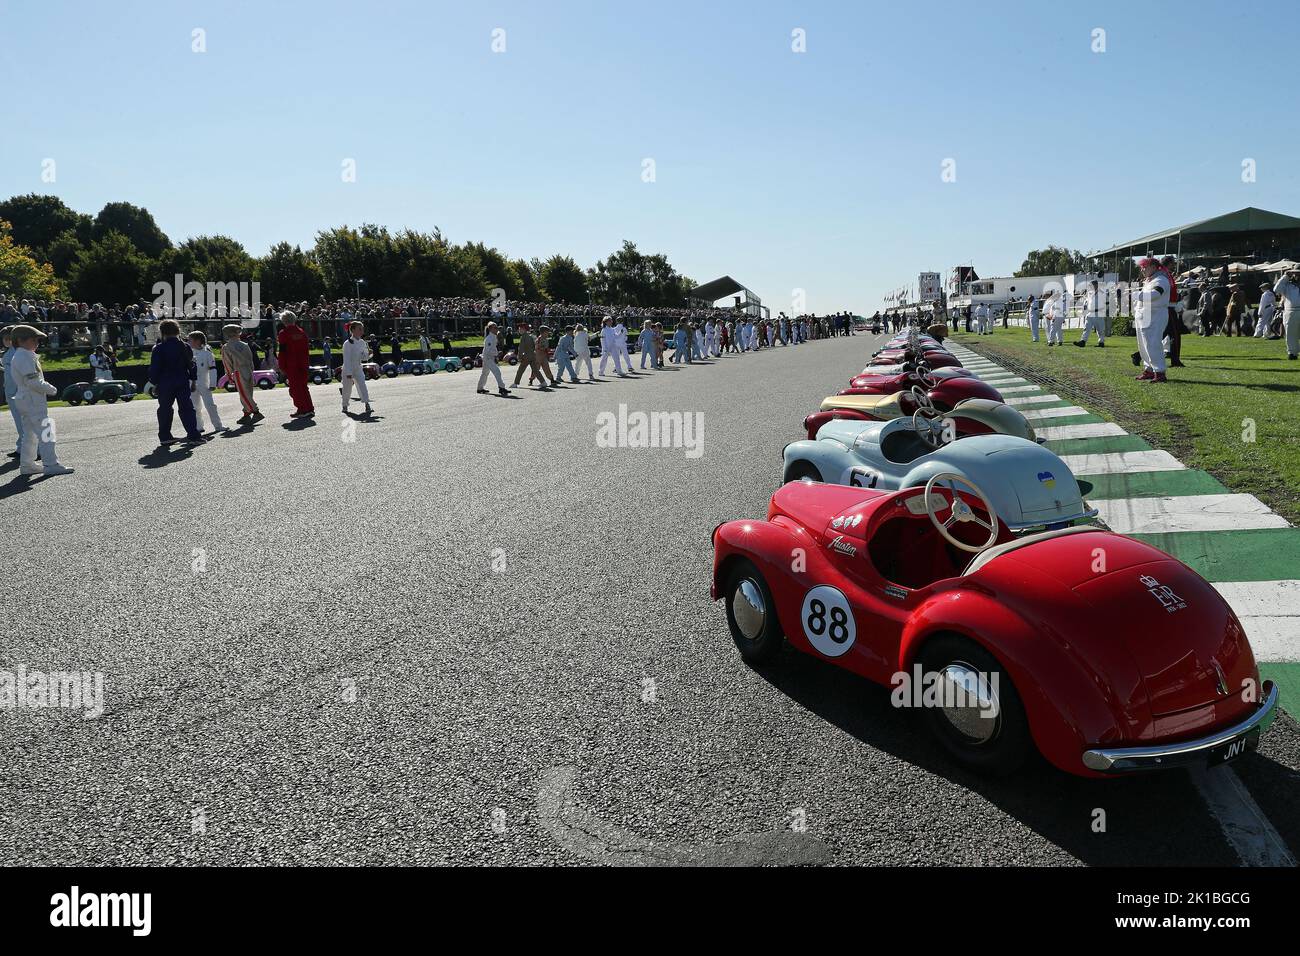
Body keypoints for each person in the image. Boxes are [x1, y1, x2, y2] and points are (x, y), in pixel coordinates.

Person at [8, 326, 71, 476]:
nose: (37, 342)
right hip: (32, 400)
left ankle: (27, 465)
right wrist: (51, 389)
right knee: (46, 431)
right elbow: (33, 382)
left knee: (30, 435)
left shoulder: (23, 355)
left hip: (26, 399)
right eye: (33, 339)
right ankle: (51, 464)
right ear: (20, 341)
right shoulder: (24, 356)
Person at [149, 319, 204, 444]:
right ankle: (193, 435)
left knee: (165, 409)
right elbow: (192, 365)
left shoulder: (158, 348)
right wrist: (194, 380)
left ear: (162, 332)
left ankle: (165, 436)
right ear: (178, 331)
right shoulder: (185, 346)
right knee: (187, 408)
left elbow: (154, 368)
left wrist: (154, 382)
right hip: (182, 380)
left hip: (164, 382)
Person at [1134, 257, 1170, 382]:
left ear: (1154, 267)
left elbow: (1155, 295)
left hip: (1155, 315)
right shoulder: (1149, 281)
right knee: (1143, 345)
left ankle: (1159, 372)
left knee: (1153, 344)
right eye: (1142, 267)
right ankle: (1149, 369)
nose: (1142, 269)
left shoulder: (1161, 280)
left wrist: (1136, 295)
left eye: (1145, 267)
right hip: (1145, 315)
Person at [221, 325, 262, 424]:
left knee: (243, 394)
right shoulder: (245, 344)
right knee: (248, 392)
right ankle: (246, 413)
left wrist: (229, 374)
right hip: (248, 369)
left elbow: (227, 362)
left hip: (238, 371)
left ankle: (255, 411)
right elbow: (251, 359)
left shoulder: (226, 347)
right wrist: (252, 371)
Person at [277, 310, 314, 417]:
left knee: (295, 388)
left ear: (284, 321)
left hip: (291, 363)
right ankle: (309, 407)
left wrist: (281, 365)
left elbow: (283, 351)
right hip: (303, 362)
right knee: (303, 386)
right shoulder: (302, 332)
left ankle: (302, 409)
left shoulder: (283, 334)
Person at [188, 331, 224, 432]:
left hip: (205, 383)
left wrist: (213, 383)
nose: (188, 342)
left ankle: (218, 426)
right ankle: (198, 427)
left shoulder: (208, 353)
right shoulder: (188, 353)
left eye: (190, 340)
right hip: (192, 384)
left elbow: (213, 369)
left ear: (198, 341)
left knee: (210, 405)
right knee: (195, 406)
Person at [2, 327, 27, 459]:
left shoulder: (13, 353)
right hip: (15, 391)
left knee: (21, 421)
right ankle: (21, 446)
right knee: (21, 421)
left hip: (16, 392)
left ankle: (32, 449)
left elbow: (14, 376)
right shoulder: (14, 352)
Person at [341, 320, 374, 414]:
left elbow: (364, 357)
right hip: (348, 368)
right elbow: (346, 359)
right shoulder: (347, 343)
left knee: (362, 385)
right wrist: (348, 373)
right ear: (353, 330)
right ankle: (345, 405)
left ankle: (367, 404)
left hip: (358, 367)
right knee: (347, 388)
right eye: (360, 329)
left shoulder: (362, 342)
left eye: (362, 329)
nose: (362, 331)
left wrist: (369, 354)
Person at [1160, 256, 1184, 366]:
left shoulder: (1166, 273)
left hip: (1169, 306)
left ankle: (1138, 355)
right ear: (1169, 263)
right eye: (1173, 263)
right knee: (1175, 334)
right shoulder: (1163, 274)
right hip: (1168, 307)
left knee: (1161, 335)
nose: (1174, 265)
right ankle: (1175, 360)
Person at [476, 321, 511, 395]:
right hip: (488, 357)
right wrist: (497, 354)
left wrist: (496, 353)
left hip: (489, 357)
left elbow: (493, 348)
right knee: (497, 372)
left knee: (485, 373)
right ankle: (501, 388)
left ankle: (480, 388)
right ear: (491, 329)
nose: (497, 329)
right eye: (495, 327)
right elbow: (488, 351)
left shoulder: (494, 337)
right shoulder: (489, 338)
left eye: (497, 327)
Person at [512, 321, 546, 389]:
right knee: (535, 370)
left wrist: (519, 356)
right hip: (533, 355)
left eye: (520, 329)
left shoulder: (523, 337)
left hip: (526, 356)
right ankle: (543, 382)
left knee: (521, 370)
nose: (519, 330)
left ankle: (515, 383)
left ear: (523, 329)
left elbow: (521, 348)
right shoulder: (531, 336)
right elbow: (534, 346)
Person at [1275, 268, 1300, 360]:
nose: (1297, 275)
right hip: (1290, 311)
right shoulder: (1287, 285)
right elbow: (1276, 289)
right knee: (1290, 333)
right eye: (1295, 273)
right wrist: (1285, 277)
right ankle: (1292, 353)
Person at [1074, 281, 1105, 347]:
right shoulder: (1089, 293)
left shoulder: (1102, 293)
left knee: (1100, 329)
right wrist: (1085, 309)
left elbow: (1106, 302)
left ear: (1096, 285)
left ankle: (1101, 342)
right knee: (1086, 328)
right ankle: (1083, 341)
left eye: (1091, 285)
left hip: (1098, 312)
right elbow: (1087, 302)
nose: (1090, 287)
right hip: (1090, 313)